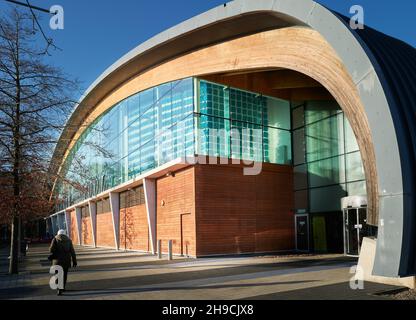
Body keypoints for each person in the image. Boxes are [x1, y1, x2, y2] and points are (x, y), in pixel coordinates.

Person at [49, 229, 77, 296]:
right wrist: (74, 261)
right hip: (66, 260)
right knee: (64, 275)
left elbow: (51, 250)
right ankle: (63, 288)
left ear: (58, 234)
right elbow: (72, 252)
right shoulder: (69, 240)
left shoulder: (55, 239)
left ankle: (59, 289)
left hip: (57, 260)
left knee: (57, 275)